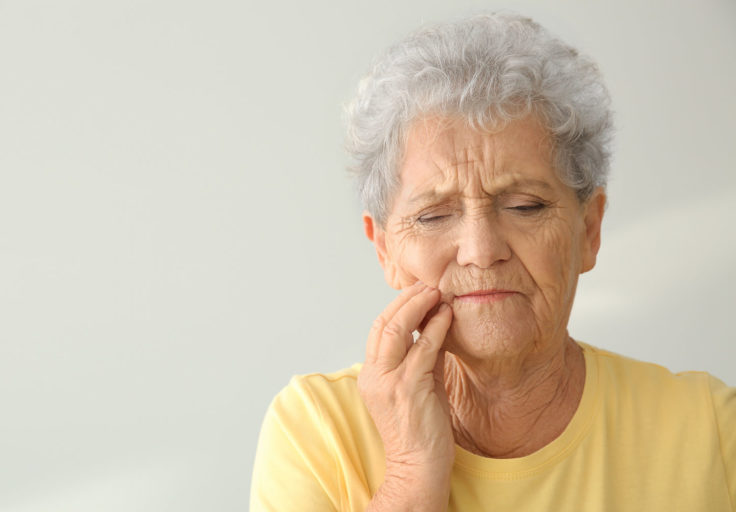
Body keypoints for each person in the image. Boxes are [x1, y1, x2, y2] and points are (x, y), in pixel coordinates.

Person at [249, 12, 736, 511]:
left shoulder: (710, 429)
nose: (481, 250)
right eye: (434, 216)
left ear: (588, 230)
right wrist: (410, 477)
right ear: (385, 250)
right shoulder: (318, 431)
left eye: (525, 206)